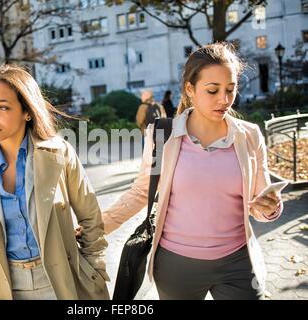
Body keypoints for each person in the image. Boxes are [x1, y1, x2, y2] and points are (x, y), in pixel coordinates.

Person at [102, 43, 283, 300]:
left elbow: (260, 201)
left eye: (230, 89)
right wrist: (96, 227)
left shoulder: (250, 135)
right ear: (190, 88)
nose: (225, 99)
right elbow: (141, 192)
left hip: (238, 263)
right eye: (213, 90)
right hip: (176, 266)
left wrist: (270, 208)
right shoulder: (162, 135)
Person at [0, 64, 110, 300]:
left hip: (63, 282)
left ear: (27, 111)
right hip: (6, 288)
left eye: (3, 107)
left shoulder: (60, 153)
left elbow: (91, 218)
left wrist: (94, 270)